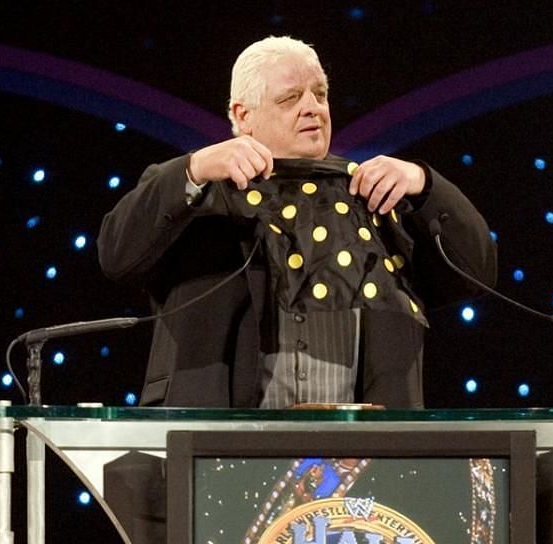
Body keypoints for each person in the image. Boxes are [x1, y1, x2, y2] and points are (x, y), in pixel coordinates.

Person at [99, 35, 496, 409]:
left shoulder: (373, 198)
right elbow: (117, 254)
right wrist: (195, 168)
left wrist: (424, 185)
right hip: (217, 448)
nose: (313, 107)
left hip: (360, 456)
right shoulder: (198, 192)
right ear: (243, 114)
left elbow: (477, 273)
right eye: (291, 98)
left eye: (320, 94)